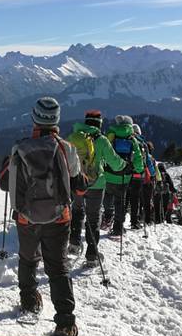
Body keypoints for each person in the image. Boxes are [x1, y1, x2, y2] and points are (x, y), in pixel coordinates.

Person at [0, 96, 85, 336]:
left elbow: (4, 182)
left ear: (34, 118)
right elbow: (80, 186)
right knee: (58, 268)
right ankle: (65, 324)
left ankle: (29, 302)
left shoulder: (20, 148)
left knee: (27, 260)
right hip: (60, 218)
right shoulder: (67, 149)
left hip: (27, 219)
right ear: (57, 120)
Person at [66, 110, 126, 266]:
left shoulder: (73, 138)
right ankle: (92, 256)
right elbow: (114, 162)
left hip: (77, 182)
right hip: (96, 184)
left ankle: (73, 244)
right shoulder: (102, 140)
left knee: (77, 211)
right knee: (93, 218)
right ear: (99, 124)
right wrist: (124, 165)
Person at [103, 115, 144, 237]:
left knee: (108, 195)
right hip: (124, 177)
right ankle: (118, 229)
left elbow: (103, 153)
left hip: (108, 174)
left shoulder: (110, 136)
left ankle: (107, 216)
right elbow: (138, 160)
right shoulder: (132, 140)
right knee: (120, 202)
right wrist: (138, 170)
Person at [128, 124, 153, 230]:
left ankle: (121, 222)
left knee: (128, 199)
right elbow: (147, 161)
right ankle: (135, 221)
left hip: (126, 173)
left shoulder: (128, 141)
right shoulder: (143, 143)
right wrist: (152, 173)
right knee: (137, 199)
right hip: (139, 175)